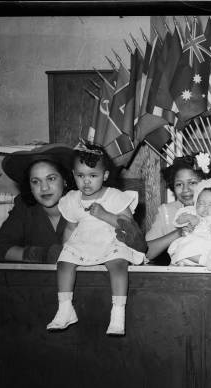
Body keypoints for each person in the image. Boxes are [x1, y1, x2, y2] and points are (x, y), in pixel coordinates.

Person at [46, 142, 145, 335]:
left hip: (111, 241)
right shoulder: (73, 199)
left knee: (117, 264)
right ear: (73, 174)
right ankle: (65, 309)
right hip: (83, 242)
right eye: (81, 176)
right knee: (64, 263)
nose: (86, 182)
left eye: (93, 176)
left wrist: (106, 215)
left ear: (105, 175)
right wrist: (66, 250)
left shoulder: (114, 196)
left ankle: (118, 313)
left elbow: (129, 226)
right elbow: (70, 228)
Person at [0, 144, 77, 263]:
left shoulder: (85, 205)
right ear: (29, 186)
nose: (44, 188)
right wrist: (42, 255)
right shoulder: (24, 207)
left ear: (65, 180)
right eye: (36, 182)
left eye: (51, 178)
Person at [141, 154, 211, 263]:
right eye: (179, 184)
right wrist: (178, 233)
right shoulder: (167, 212)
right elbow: (146, 253)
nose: (186, 189)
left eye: (192, 183)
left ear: (207, 183)